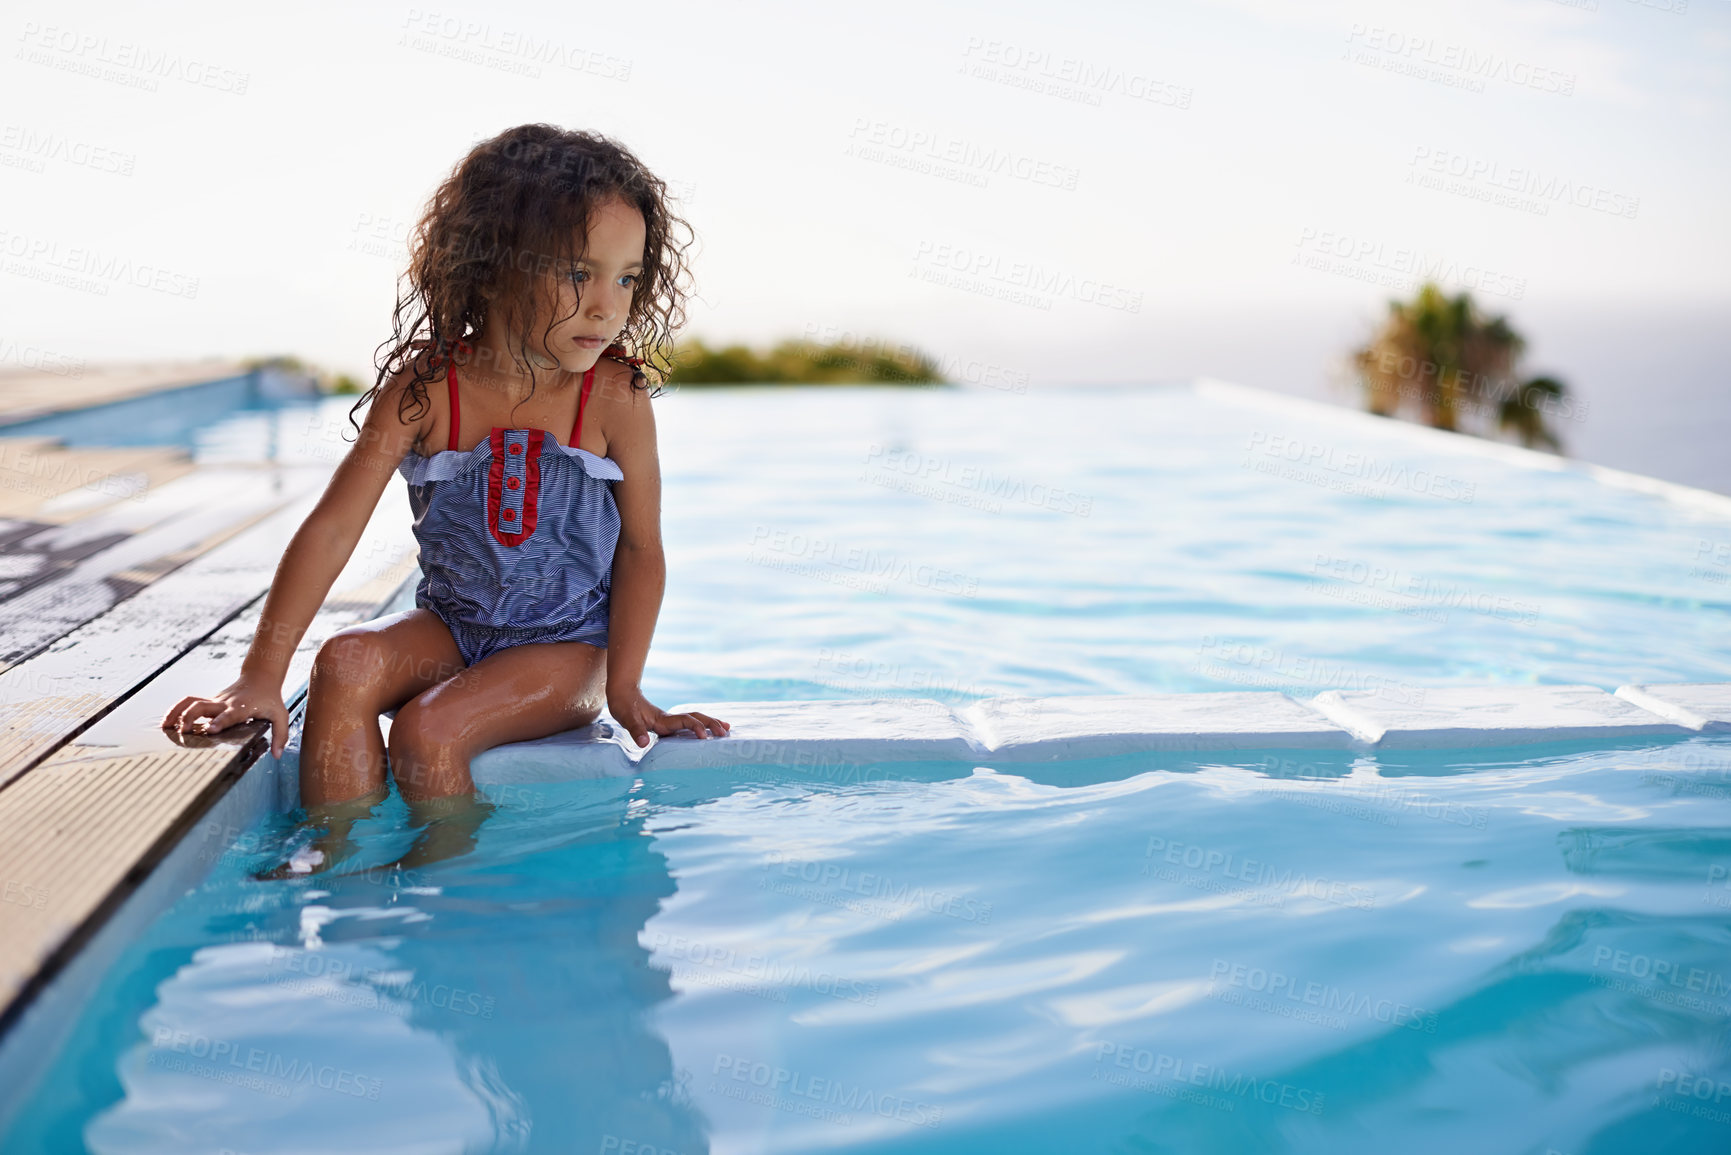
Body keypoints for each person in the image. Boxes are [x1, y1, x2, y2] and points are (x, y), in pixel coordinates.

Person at [162, 124, 728, 865]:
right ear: (491, 267)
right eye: (576, 274)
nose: (605, 306)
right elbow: (333, 530)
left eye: (625, 278)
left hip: (563, 650)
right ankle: (333, 861)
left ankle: (442, 879)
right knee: (344, 662)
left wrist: (624, 686)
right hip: (453, 630)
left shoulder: (612, 397)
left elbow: (641, 547)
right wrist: (260, 675)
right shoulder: (428, 390)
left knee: (430, 728)